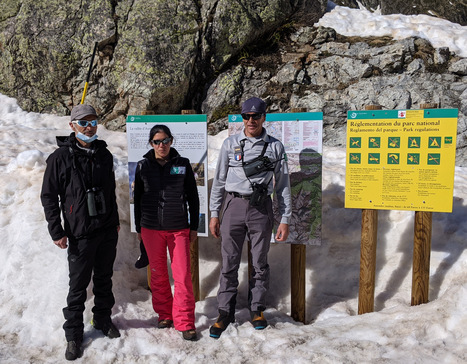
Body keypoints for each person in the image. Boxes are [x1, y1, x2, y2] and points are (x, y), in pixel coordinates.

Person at [40, 104, 121, 360]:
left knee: (104, 279)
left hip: (107, 229)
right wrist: (57, 231)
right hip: (79, 233)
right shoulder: (59, 158)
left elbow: (110, 191)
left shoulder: (104, 154)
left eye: (93, 122)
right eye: (83, 122)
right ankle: (73, 334)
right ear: (72, 125)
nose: (89, 127)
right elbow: (49, 197)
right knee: (77, 287)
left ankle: (102, 320)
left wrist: (115, 220)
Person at [209, 97, 292, 338]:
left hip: (260, 208)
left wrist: (285, 218)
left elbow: (283, 185)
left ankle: (257, 309)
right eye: (246, 116)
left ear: (264, 117)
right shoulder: (230, 144)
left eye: (256, 116)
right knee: (229, 262)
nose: (251, 120)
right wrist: (215, 214)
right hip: (233, 205)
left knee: (259, 262)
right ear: (241, 118)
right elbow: (220, 182)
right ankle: (225, 311)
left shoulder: (275, 147)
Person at [133, 124, 199, 341]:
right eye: (157, 142)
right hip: (151, 228)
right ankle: (165, 315)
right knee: (158, 274)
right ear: (151, 144)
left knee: (182, 276)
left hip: (178, 227)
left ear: (172, 141)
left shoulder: (183, 164)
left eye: (166, 141)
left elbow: (192, 196)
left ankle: (186, 322)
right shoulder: (143, 166)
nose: (162, 145)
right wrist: (139, 228)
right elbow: (138, 200)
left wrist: (193, 227)